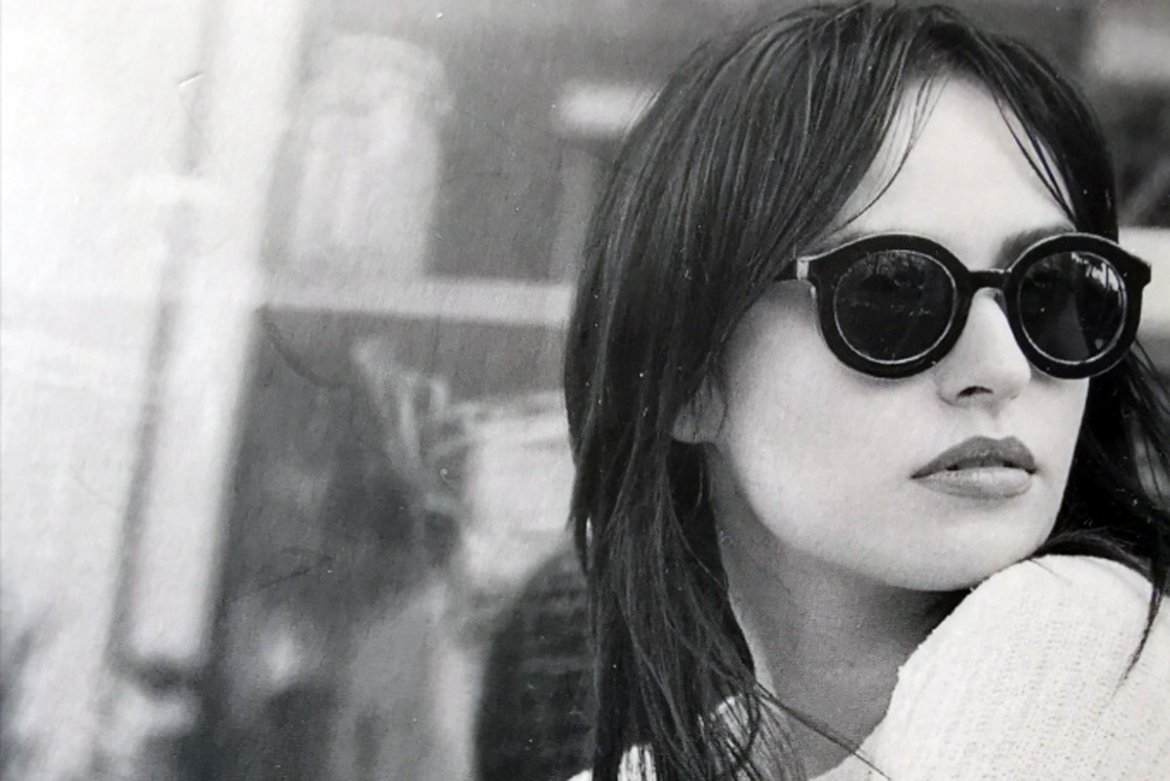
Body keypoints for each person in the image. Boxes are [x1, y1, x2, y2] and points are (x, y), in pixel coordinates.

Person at [561, 3, 1170, 779]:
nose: (1005, 366)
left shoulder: (1077, 637)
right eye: (894, 291)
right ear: (687, 374)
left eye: (1050, 290)